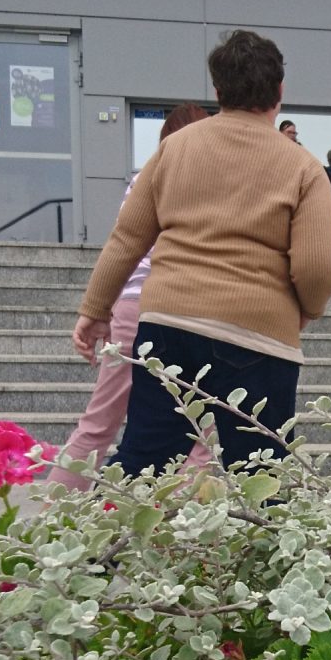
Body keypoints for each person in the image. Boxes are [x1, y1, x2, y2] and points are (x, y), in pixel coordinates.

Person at [75, 30, 331, 474]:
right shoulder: (303, 167)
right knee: (262, 473)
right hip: (257, 334)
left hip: (169, 322)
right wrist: (307, 308)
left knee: (144, 459)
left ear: (218, 90)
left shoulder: (174, 148)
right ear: (279, 90)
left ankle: (111, 541)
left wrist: (95, 308)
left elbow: (127, 238)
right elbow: (315, 264)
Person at [53, 104, 211, 489]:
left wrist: (98, 307)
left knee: (98, 424)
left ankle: (54, 523)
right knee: (198, 436)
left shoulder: (145, 179)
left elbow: (123, 246)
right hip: (190, 309)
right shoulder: (216, 187)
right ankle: (187, 537)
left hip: (132, 307)